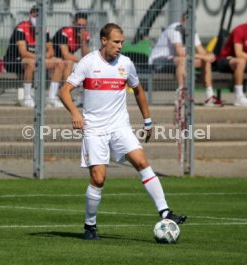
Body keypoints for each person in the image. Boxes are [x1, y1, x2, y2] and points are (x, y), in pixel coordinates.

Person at [59, 23, 187, 240]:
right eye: (116, 42)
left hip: (119, 126)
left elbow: (138, 90)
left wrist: (147, 121)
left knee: (142, 163)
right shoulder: (88, 62)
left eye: (122, 42)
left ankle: (165, 211)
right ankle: (90, 226)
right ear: (104, 40)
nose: (120, 46)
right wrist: (75, 114)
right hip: (94, 129)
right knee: (98, 179)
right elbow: (64, 91)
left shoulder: (126, 64)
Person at [149, 13, 223, 107]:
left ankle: (210, 96)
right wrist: (203, 56)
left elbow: (201, 50)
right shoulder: (174, 29)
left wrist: (209, 56)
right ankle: (181, 94)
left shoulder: (192, 30)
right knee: (182, 60)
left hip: (177, 61)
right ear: (183, 21)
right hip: (159, 61)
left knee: (206, 61)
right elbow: (181, 52)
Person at [3, 5, 64, 107]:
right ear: (30, 15)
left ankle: (51, 97)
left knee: (59, 62)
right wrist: (42, 57)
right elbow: (23, 53)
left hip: (36, 60)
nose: (38, 19)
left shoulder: (44, 29)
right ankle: (26, 98)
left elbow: (51, 51)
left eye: (40, 16)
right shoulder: (21, 28)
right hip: (14, 61)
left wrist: (43, 58)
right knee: (29, 62)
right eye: (36, 16)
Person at [217, 8, 247, 107]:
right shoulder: (240, 30)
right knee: (240, 61)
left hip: (243, 62)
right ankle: (239, 97)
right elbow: (239, 53)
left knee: (243, 62)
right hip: (225, 60)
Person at [52, 12, 90, 81]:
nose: (81, 28)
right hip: (53, 57)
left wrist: (82, 40)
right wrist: (82, 61)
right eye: (79, 25)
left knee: (79, 65)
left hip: (67, 60)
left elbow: (86, 55)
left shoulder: (85, 35)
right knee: (68, 62)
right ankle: (64, 89)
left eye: (83, 26)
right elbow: (65, 55)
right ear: (73, 23)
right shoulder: (64, 32)